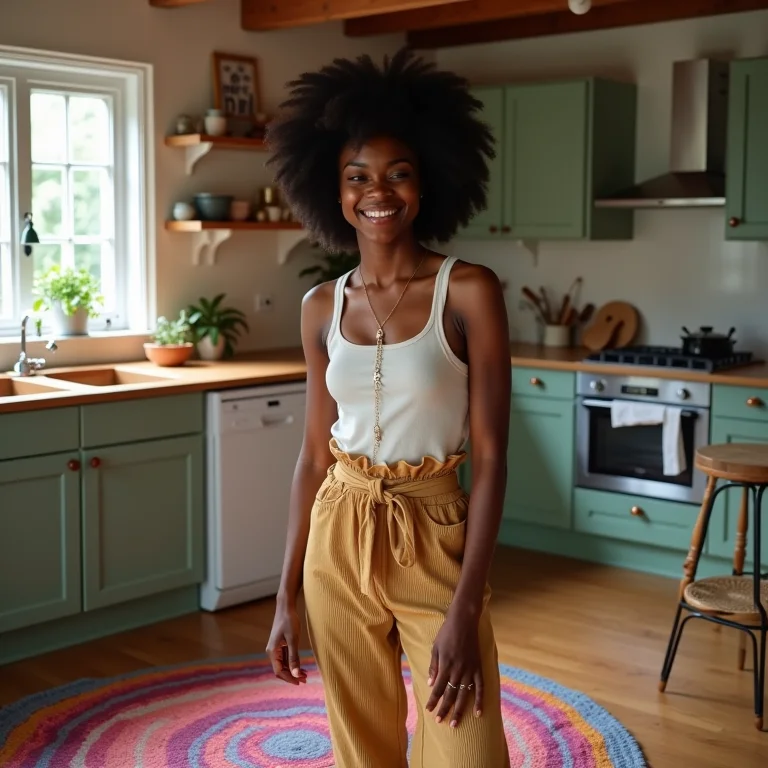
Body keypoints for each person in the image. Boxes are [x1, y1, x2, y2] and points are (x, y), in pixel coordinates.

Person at [265, 48, 512, 768]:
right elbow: (313, 455)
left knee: (466, 746)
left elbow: (492, 458)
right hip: (337, 532)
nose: (378, 191)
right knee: (362, 748)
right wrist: (286, 595)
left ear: (427, 181)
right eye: (358, 176)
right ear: (333, 190)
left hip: (433, 531)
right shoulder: (320, 305)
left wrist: (467, 606)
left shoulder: (469, 291)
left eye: (398, 172)